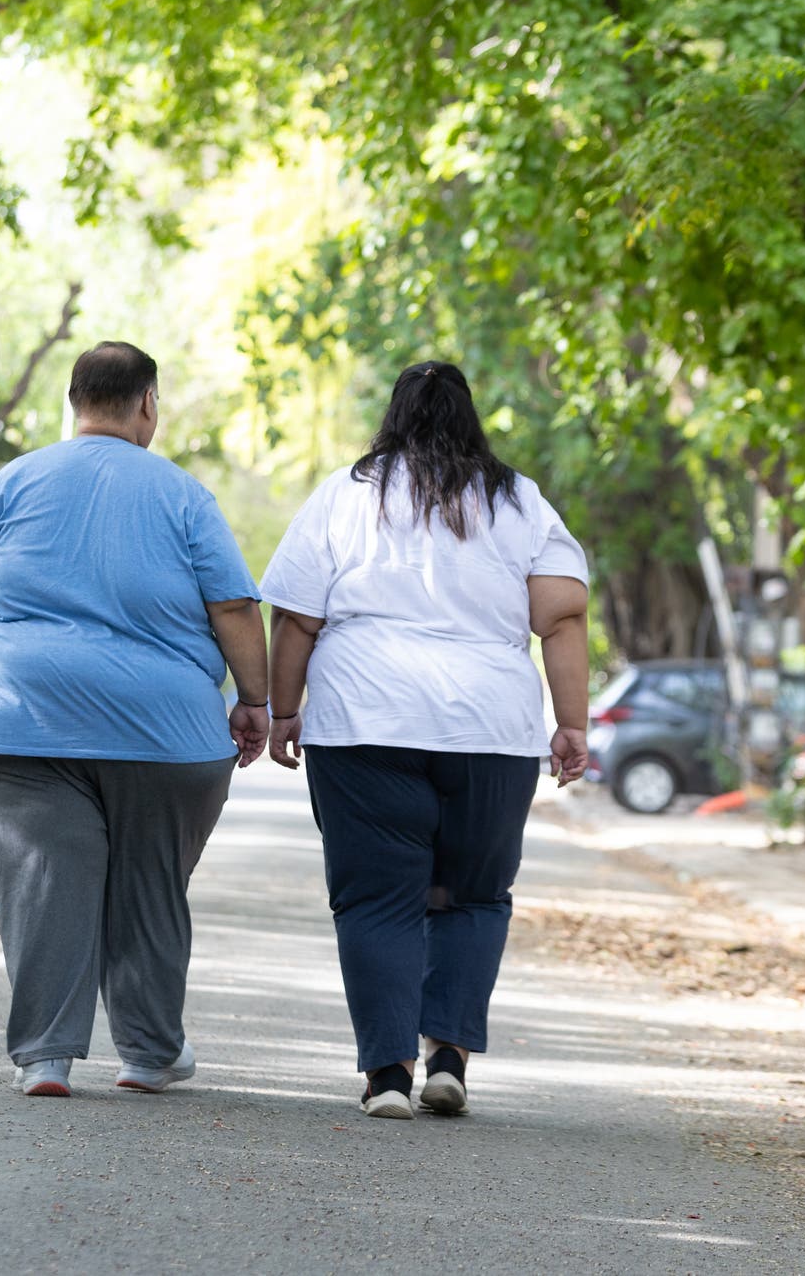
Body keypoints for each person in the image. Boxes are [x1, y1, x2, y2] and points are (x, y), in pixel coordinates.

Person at [0, 340, 269, 1098]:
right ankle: (149, 1051)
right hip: (164, 734)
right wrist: (255, 700)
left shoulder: (12, 483)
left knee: (46, 877)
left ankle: (45, 1056)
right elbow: (232, 606)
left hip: (16, 721)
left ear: (73, 403)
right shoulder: (183, 495)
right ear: (147, 406)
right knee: (149, 879)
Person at [259, 360, 590, 1120]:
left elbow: (297, 617)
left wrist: (283, 709)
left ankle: (387, 1076)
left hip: (365, 720)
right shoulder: (519, 500)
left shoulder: (346, 495)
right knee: (472, 895)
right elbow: (562, 615)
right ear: (471, 417)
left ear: (394, 416)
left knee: (376, 898)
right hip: (490, 730)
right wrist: (572, 723)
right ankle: (449, 1056)